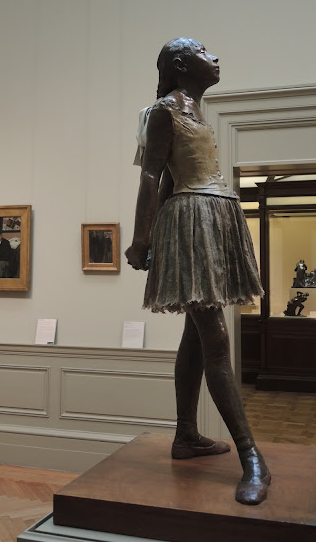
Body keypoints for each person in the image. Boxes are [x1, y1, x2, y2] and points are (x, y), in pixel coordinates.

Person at [125, 38, 270, 505]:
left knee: (195, 333)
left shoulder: (194, 112)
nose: (216, 58)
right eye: (205, 52)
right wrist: (142, 240)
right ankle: (250, 455)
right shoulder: (163, 111)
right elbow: (152, 177)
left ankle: (186, 434)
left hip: (207, 215)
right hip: (191, 221)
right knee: (215, 339)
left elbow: (168, 176)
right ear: (182, 64)